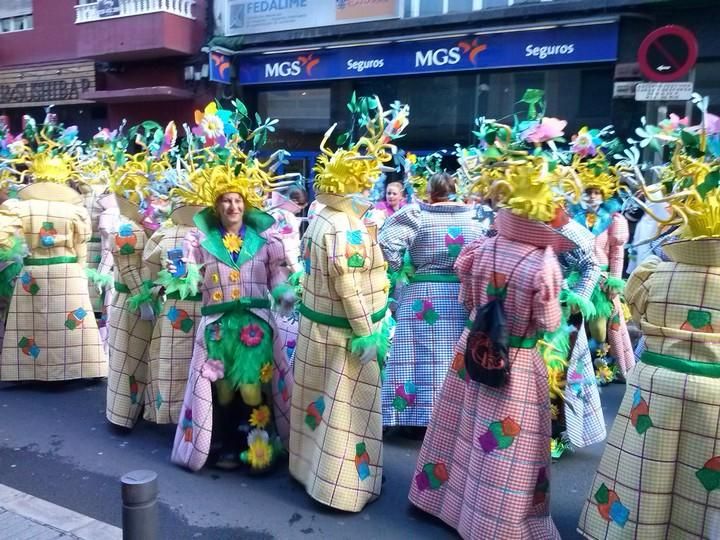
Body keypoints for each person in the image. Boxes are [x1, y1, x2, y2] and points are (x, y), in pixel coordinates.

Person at [408, 147, 578, 538]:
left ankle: (445, 504)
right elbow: (549, 323)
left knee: (460, 426)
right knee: (506, 443)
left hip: (472, 348)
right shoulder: (543, 265)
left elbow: (467, 299)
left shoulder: (483, 248)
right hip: (515, 359)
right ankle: (494, 524)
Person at [578, 124, 720, 539]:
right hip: (715, 393)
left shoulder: (654, 272)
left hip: (654, 387)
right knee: (704, 479)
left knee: (644, 469)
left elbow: (636, 312)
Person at [289, 98, 407, 512]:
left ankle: (310, 470)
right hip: (345, 337)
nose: (372, 188)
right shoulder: (347, 228)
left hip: (317, 330)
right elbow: (350, 284)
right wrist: (366, 334)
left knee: (317, 403)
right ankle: (344, 487)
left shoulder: (321, 218)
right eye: (368, 182)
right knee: (347, 411)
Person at [169, 156, 296, 472]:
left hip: (253, 326)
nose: (233, 206)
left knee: (252, 388)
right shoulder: (199, 240)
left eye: (238, 200)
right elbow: (191, 277)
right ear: (217, 205)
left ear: (246, 204)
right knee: (223, 390)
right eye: (226, 200)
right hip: (217, 326)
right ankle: (224, 445)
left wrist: (283, 293)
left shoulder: (266, 240)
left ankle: (257, 448)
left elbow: (275, 276)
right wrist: (181, 275)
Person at [379, 172, 485, 429]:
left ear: (429, 191)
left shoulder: (416, 215)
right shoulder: (476, 217)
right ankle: (456, 416)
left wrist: (398, 266)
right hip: (462, 296)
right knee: (454, 356)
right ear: (455, 189)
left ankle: (413, 416)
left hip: (422, 296)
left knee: (415, 357)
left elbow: (385, 243)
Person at [0, 142, 107, 382]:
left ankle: (30, 370)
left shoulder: (20, 209)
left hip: (32, 271)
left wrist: (19, 248)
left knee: (32, 324)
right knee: (73, 322)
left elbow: (3, 238)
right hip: (67, 271)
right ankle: (83, 369)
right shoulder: (74, 211)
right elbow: (83, 243)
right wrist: (80, 268)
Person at [569, 154, 634, 383]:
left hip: (602, 279)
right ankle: (577, 368)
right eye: (588, 192)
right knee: (574, 326)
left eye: (596, 193)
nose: (592, 197)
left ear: (604, 195)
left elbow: (617, 253)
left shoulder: (614, 220)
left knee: (600, 329)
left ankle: (605, 366)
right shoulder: (572, 217)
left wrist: (615, 281)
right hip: (576, 279)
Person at [143, 203, 204, 424]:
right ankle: (203, 418)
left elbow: (149, 269)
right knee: (206, 367)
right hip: (210, 309)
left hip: (175, 310)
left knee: (172, 362)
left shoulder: (164, 235)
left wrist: (156, 290)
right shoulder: (216, 235)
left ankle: (173, 414)